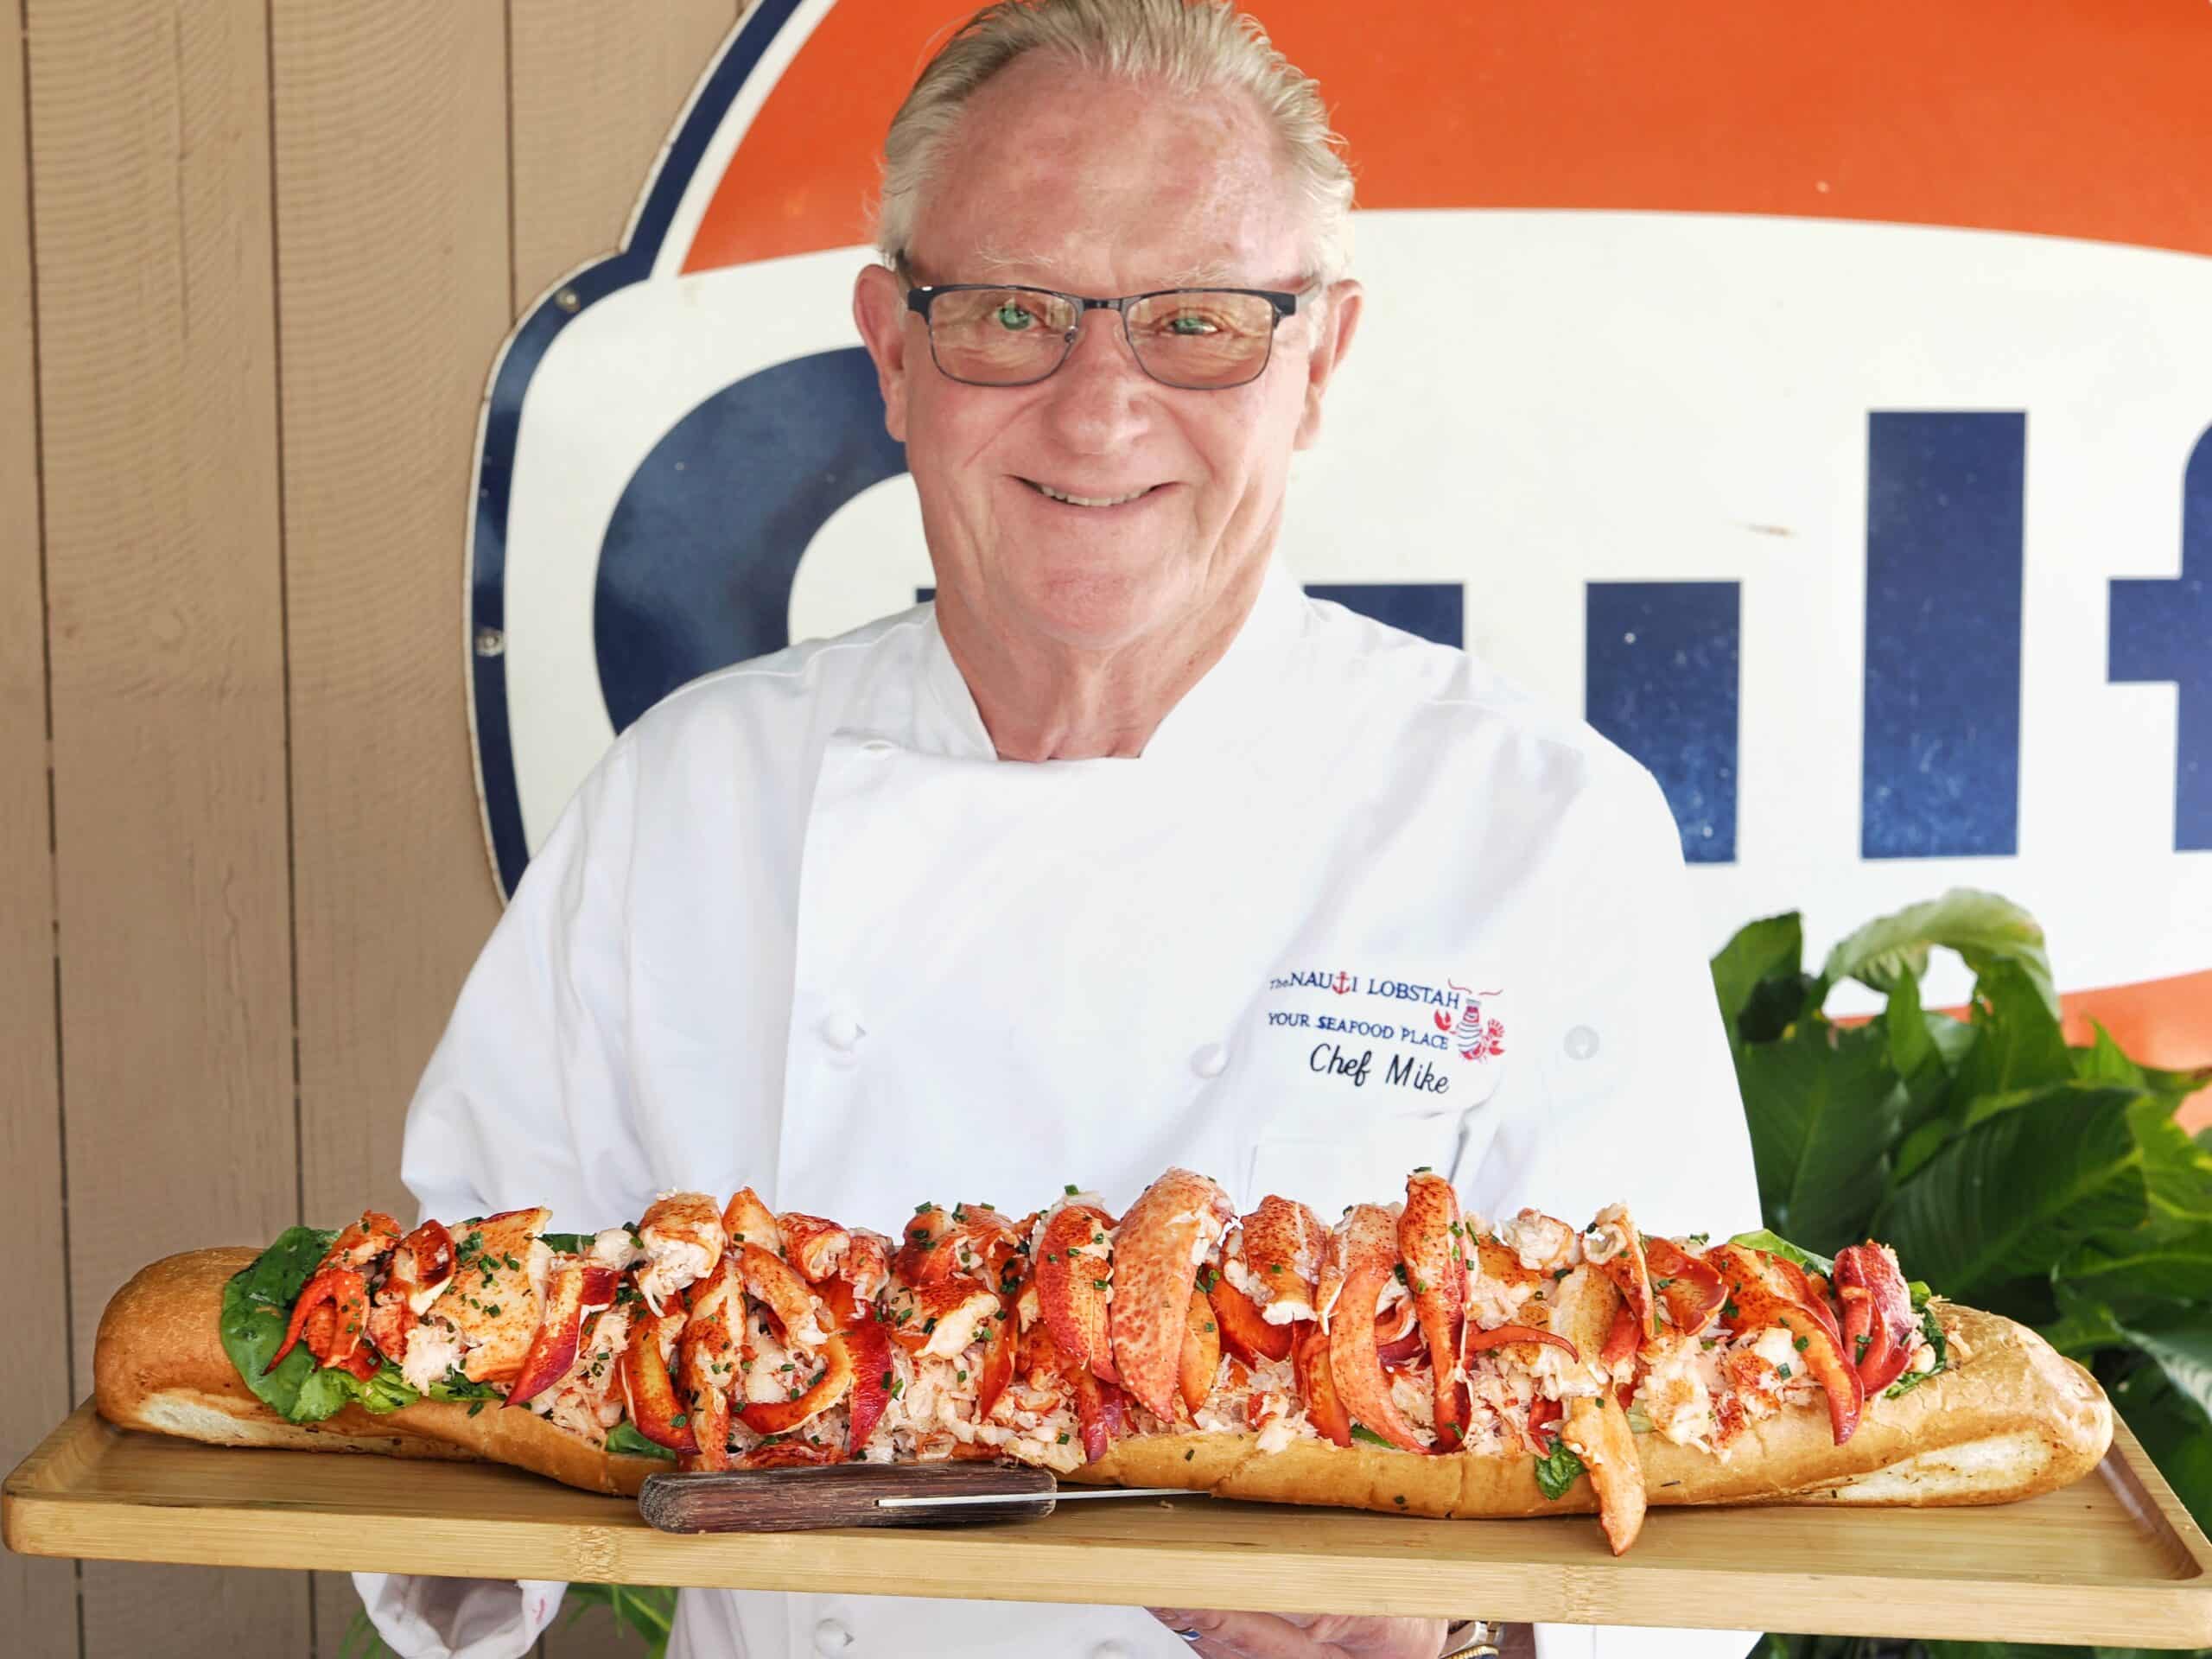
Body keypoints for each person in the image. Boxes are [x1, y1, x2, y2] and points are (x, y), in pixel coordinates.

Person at [355, 3, 1765, 1656]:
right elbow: (453, 1366)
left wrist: (1456, 1639)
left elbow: (1679, 1469)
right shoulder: (690, 804)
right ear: (892, 351)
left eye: (1200, 321)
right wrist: (439, 1494)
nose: (1100, 411)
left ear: (1319, 359)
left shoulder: (1540, 829)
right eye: (1011, 314)